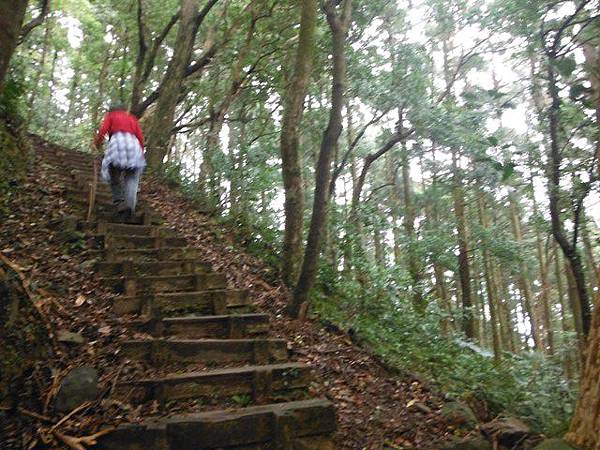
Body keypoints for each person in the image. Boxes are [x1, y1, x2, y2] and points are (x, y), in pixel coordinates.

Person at [93, 103, 146, 221]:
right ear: (124, 110)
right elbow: (140, 137)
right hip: (134, 146)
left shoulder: (111, 116)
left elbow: (103, 130)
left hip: (118, 144)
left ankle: (120, 202)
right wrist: (141, 151)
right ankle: (130, 209)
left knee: (114, 175)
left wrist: (97, 143)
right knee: (132, 179)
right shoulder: (132, 118)